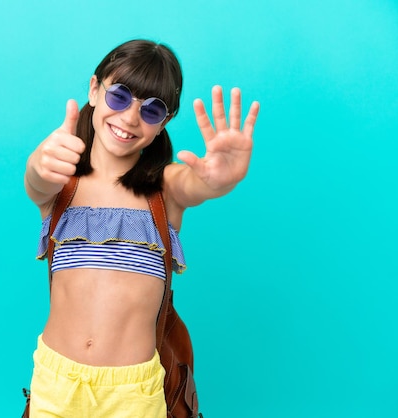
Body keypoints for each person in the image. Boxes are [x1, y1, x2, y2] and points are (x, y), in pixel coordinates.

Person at [24, 39, 259, 417]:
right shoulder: (61, 185)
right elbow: (36, 180)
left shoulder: (164, 189)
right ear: (94, 90)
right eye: (120, 96)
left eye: (152, 109)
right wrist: (39, 162)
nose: (131, 118)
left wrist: (221, 179)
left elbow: (196, 184)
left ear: (164, 122)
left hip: (132, 394)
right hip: (55, 383)